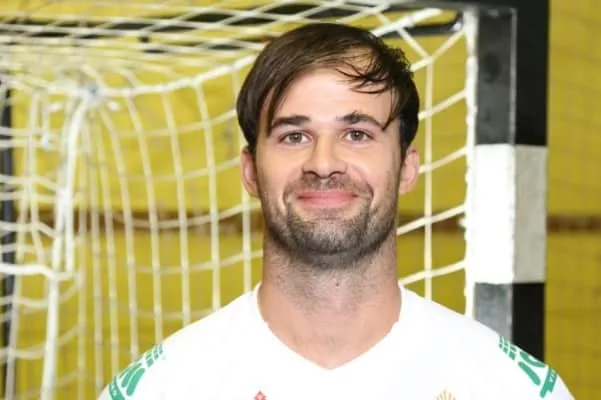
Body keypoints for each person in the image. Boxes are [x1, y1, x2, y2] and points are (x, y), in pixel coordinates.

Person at [99, 22, 573, 400]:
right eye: (294, 136)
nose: (323, 163)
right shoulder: (162, 388)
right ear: (250, 171)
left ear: (407, 168)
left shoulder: (514, 389)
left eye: (357, 134)